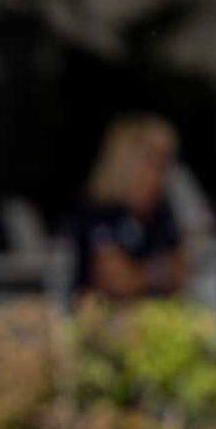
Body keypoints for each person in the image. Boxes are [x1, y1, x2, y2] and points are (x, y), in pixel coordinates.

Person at [68, 114, 186, 301]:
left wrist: (142, 274)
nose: (161, 174)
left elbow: (182, 272)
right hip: (102, 321)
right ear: (128, 163)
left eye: (164, 164)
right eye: (153, 163)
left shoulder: (161, 212)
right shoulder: (99, 211)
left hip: (155, 315)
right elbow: (116, 282)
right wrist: (158, 273)